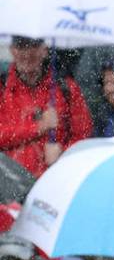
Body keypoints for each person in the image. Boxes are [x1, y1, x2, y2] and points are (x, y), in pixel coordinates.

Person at [0, 37, 93, 177]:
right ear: (12, 50)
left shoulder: (67, 88)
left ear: (45, 50)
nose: (27, 53)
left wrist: (63, 154)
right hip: (9, 184)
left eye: (33, 46)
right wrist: (39, 126)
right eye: (21, 46)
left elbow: (83, 136)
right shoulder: (2, 88)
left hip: (54, 180)